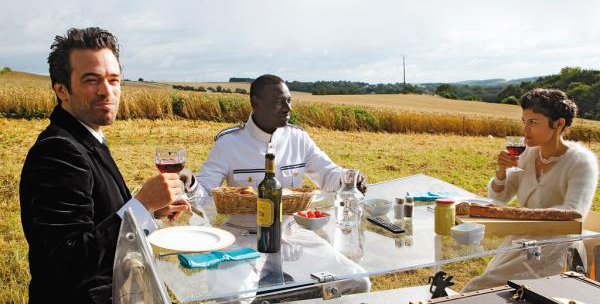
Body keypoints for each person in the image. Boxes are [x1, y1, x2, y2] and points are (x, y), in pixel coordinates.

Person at [20, 27, 190, 304]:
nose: (106, 91)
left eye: (114, 80)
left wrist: (152, 213)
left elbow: (99, 219)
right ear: (61, 89)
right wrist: (141, 205)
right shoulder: (57, 151)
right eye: (91, 80)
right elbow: (66, 264)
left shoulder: (87, 136)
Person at [463, 88, 599, 292]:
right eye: (524, 122)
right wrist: (501, 171)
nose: (525, 130)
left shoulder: (581, 161)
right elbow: (499, 197)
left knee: (482, 289)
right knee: (482, 289)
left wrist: (518, 217)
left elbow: (574, 213)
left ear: (559, 124)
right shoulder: (527, 154)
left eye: (533, 122)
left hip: (557, 248)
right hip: (521, 241)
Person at [180, 74, 367, 197]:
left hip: (293, 233)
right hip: (246, 237)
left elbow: (327, 176)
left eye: (289, 101)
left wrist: (350, 178)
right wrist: (192, 182)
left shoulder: (298, 139)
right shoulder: (229, 144)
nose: (288, 108)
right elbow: (204, 192)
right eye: (279, 102)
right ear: (256, 104)